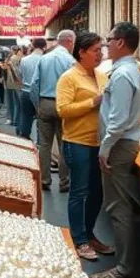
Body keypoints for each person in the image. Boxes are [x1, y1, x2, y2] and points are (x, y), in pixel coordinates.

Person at [91, 22, 140, 278]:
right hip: (122, 142)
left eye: (109, 39)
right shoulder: (126, 70)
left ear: (121, 42)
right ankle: (125, 264)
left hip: (119, 145)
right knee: (117, 205)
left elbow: (119, 119)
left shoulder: (123, 75)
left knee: (117, 206)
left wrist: (106, 147)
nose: (105, 44)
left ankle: (124, 268)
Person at [56, 32, 114, 261]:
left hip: (98, 141)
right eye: (96, 50)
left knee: (97, 192)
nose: (100, 54)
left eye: (102, 50)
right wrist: (93, 102)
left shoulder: (102, 76)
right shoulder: (69, 78)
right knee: (79, 191)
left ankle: (89, 234)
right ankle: (79, 240)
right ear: (81, 52)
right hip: (77, 142)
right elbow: (63, 110)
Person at [32, 29, 76, 192]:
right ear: (70, 41)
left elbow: (34, 84)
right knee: (64, 144)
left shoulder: (44, 59)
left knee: (44, 144)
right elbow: (74, 86)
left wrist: (38, 105)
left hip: (45, 103)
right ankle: (64, 182)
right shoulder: (70, 61)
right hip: (64, 106)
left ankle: (45, 180)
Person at [17, 38, 45, 138]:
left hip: (25, 92)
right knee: (41, 121)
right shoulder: (45, 59)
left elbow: (20, 75)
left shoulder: (24, 60)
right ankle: (39, 145)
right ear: (44, 47)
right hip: (40, 93)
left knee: (25, 118)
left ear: (32, 46)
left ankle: (24, 143)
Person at [5, 47, 24, 125]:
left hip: (9, 83)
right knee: (17, 103)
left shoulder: (10, 59)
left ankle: (11, 119)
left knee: (10, 102)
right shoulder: (20, 58)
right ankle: (16, 120)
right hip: (17, 83)